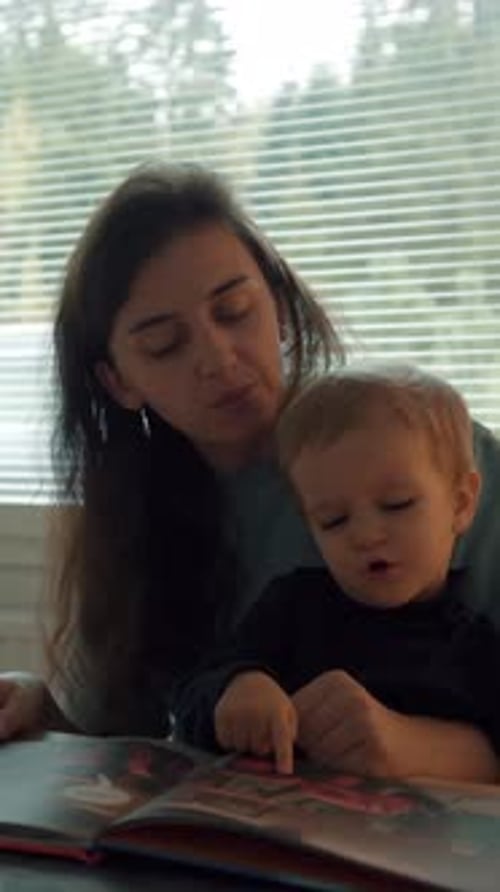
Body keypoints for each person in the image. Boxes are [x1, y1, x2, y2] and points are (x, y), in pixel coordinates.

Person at [0, 164, 499, 761]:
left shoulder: (424, 454)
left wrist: (420, 750)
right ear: (118, 381)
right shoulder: (136, 514)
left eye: (235, 310)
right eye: (165, 344)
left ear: (280, 307)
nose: (217, 357)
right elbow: (119, 747)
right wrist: (37, 708)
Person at [175, 365, 500, 783]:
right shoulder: (292, 608)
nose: (365, 536)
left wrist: (414, 747)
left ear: (460, 503)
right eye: (333, 520)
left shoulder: (475, 648)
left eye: (397, 504)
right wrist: (236, 690)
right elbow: (192, 693)